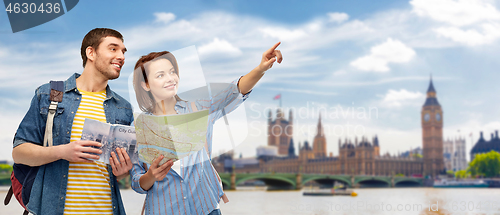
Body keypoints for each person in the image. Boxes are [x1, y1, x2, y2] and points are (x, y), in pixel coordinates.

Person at [130, 43, 283, 215]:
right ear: (146, 85)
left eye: (172, 72)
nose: (170, 78)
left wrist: (261, 68)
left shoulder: (199, 110)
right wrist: (151, 175)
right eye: (160, 75)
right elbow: (137, 182)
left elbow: (235, 90)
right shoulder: (138, 127)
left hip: (206, 208)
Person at [12, 28, 134, 215]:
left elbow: (120, 173)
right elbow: (19, 153)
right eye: (113, 49)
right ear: (90, 53)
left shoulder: (123, 107)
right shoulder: (50, 94)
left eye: (123, 51)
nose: (121, 56)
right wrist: (62, 151)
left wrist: (123, 171)